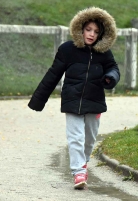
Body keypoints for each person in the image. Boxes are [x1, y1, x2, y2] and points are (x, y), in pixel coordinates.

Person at [28, 7, 120, 189]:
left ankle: (83, 162)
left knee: (89, 139)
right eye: (88, 30)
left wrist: (110, 77)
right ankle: (78, 172)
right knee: (75, 137)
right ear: (81, 28)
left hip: (94, 101)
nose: (91, 34)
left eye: (96, 31)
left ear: (102, 34)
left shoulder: (104, 53)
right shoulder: (67, 50)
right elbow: (52, 75)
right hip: (72, 100)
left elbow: (114, 68)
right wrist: (38, 100)